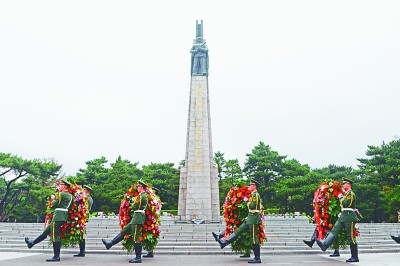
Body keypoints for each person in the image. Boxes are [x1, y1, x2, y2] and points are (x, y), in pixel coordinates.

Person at [212, 179, 263, 264]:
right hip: (250, 218)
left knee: (254, 238)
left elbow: (253, 206)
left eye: (250, 185)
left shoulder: (255, 195)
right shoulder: (253, 195)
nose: (249, 186)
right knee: (238, 231)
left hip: (254, 218)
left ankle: (257, 258)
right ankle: (224, 242)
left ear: (254, 186)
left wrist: (247, 201)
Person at [25, 179, 73, 262]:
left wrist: (53, 199)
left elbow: (54, 205)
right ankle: (32, 243)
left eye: (61, 185)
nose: (59, 187)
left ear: (65, 186)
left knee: (55, 236)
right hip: (64, 216)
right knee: (47, 231)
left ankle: (56, 256)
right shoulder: (70, 196)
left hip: (58, 216)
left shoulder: (61, 194)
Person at [102, 180, 148, 263]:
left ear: (141, 187)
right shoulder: (142, 196)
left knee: (135, 237)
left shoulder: (141, 196)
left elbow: (135, 207)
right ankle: (110, 244)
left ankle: (138, 258)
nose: (137, 188)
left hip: (138, 218)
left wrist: (132, 203)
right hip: (136, 218)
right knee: (124, 231)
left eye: (138, 187)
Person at [316, 178, 360, 263]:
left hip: (349, 216)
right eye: (342, 184)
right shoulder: (346, 194)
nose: (343, 185)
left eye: (344, 184)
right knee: (334, 230)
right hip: (343, 215)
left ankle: (355, 256)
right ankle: (325, 245)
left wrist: (340, 197)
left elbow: (346, 204)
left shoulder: (351, 194)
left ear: (349, 184)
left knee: (351, 237)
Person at [74, 185, 93, 257]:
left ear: (87, 191)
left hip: (83, 216)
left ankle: (82, 251)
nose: (83, 191)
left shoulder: (88, 198)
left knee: (81, 232)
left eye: (84, 190)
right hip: (80, 215)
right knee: (80, 233)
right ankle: (82, 251)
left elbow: (86, 207)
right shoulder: (84, 197)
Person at [142, 186, 159, 259]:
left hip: (151, 221)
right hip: (150, 220)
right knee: (149, 235)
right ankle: (150, 251)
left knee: (150, 235)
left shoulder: (154, 201)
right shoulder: (153, 200)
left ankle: (150, 251)